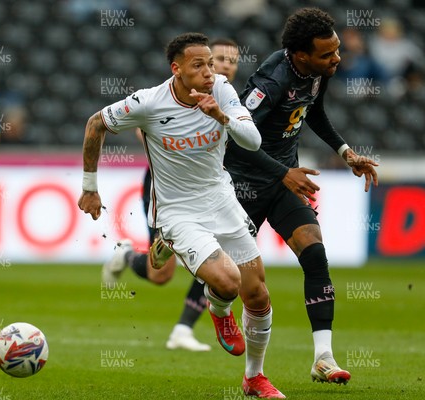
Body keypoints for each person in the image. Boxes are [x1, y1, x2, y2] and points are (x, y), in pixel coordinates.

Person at [80, 32, 285, 398]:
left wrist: (220, 115)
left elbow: (252, 141)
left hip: (221, 200)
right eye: (199, 65)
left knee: (257, 294)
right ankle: (219, 311)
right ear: (176, 69)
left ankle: (254, 378)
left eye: (211, 63)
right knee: (226, 283)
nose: (210, 72)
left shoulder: (221, 90)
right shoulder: (148, 102)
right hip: (176, 211)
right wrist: (90, 187)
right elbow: (96, 124)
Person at [224, 8, 378, 384]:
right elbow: (237, 141)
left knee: (314, 252)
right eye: (327, 54)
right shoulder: (272, 82)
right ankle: (215, 309)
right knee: (231, 282)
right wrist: (283, 172)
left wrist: (347, 154)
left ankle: (323, 358)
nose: (337, 59)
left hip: (282, 184)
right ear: (300, 55)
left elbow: (314, 113)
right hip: (243, 186)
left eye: (337, 50)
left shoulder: (316, 73)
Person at [102, 39, 241, 352]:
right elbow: (143, 127)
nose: (223, 66)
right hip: (168, 193)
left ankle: (182, 328)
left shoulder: (228, 100)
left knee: (217, 258)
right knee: (160, 274)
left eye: (231, 60)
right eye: (216, 59)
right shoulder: (165, 99)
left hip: (210, 192)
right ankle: (126, 255)